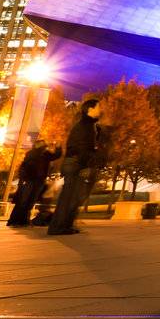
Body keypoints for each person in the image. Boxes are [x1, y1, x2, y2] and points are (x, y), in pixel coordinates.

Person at [47, 99, 105, 236]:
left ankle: (65, 225)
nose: (100, 110)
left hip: (76, 162)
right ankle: (57, 227)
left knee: (74, 196)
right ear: (90, 109)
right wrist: (86, 165)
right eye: (98, 107)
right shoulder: (85, 125)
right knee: (68, 197)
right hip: (75, 163)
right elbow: (82, 147)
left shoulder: (90, 125)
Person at [6, 140, 61, 227]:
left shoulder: (45, 154)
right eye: (42, 144)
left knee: (30, 201)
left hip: (38, 181)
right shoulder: (32, 153)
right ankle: (14, 220)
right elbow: (28, 165)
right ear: (36, 145)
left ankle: (23, 221)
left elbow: (56, 155)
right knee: (23, 201)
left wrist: (58, 147)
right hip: (29, 180)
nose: (44, 145)